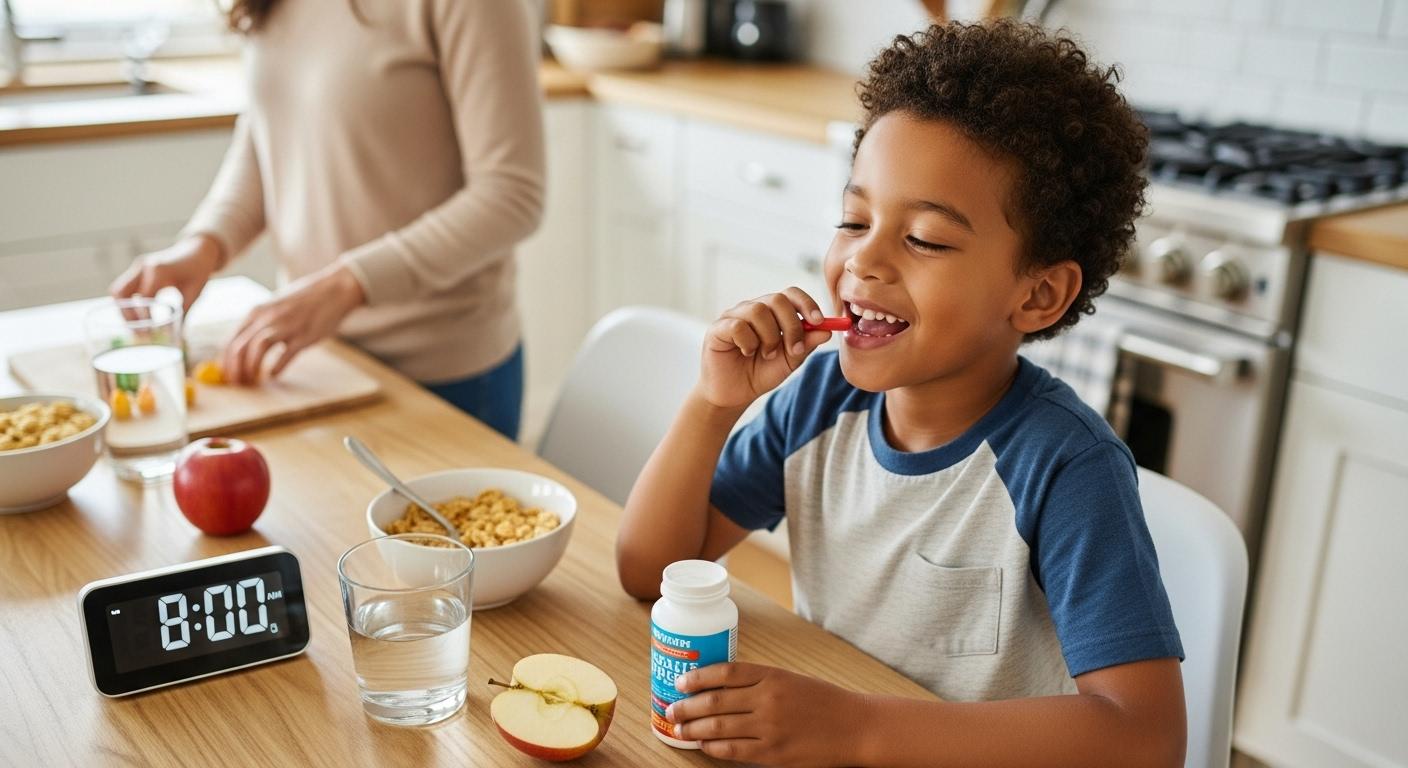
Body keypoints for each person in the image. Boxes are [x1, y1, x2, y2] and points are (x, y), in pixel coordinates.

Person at [616, 20, 1186, 767]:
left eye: (925, 238)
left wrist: (856, 729)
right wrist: (714, 404)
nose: (865, 259)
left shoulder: (1067, 468)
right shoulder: (819, 402)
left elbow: (1145, 738)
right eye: (854, 219)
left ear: (1039, 293)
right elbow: (651, 570)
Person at [111, 0, 545, 440]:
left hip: (443, 379)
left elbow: (512, 195)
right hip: (316, 367)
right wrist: (205, 244)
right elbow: (272, 131)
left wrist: (347, 285)